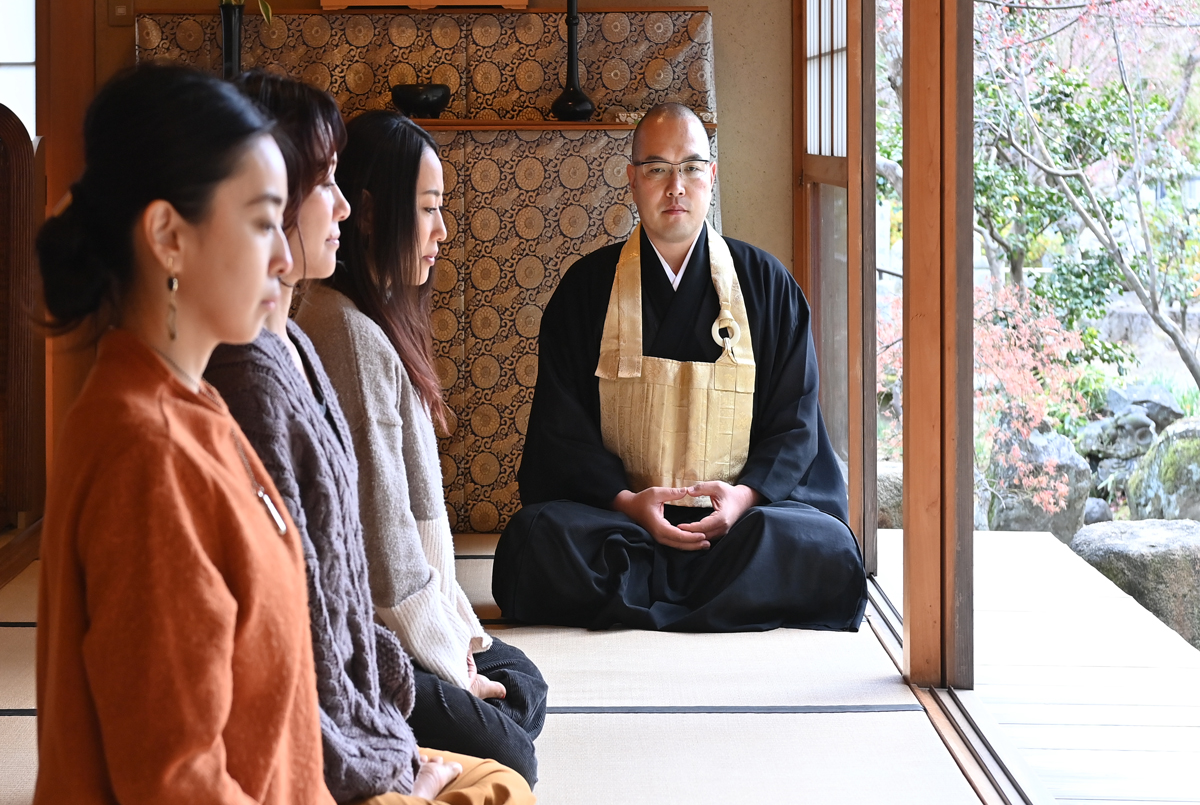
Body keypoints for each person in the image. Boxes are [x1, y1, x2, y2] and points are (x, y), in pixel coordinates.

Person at [203, 75, 534, 805]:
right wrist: (394, 741)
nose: (344, 209)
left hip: (362, 652)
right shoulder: (317, 343)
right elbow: (342, 579)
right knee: (511, 745)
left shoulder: (298, 334)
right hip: (338, 675)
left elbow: (343, 582)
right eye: (327, 183)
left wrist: (446, 654)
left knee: (517, 694)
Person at [31, 64, 338, 804]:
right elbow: (177, 781)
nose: (284, 257)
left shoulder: (186, 403)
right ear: (169, 235)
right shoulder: (148, 451)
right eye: (263, 221)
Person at [492, 102, 868, 633]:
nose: (676, 187)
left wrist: (741, 500)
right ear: (631, 179)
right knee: (533, 540)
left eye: (691, 167)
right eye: (657, 169)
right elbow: (562, 428)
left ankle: (646, 591)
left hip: (736, 523)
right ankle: (720, 595)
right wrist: (627, 502)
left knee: (824, 547)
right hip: (623, 523)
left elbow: (795, 420)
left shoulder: (767, 283)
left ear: (711, 177)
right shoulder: (586, 289)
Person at [296, 110, 547, 785]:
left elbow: (413, 532)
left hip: (393, 619)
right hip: (365, 632)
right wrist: (450, 663)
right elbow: (384, 547)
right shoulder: (346, 332)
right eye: (429, 210)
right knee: (512, 738)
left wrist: (462, 641)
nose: (442, 232)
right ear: (372, 214)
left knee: (520, 680)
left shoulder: (361, 315)